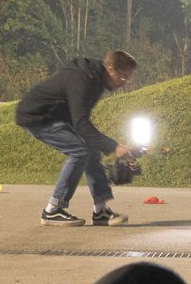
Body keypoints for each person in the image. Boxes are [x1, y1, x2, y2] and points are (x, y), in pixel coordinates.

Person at [16, 49, 138, 226]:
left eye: (127, 78)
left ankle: (101, 211)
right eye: (123, 77)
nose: (123, 82)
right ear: (111, 69)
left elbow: (81, 120)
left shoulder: (96, 80)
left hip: (58, 117)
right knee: (80, 151)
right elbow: (81, 123)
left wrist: (105, 145)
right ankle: (53, 209)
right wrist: (114, 146)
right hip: (37, 116)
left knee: (92, 151)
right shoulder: (84, 79)